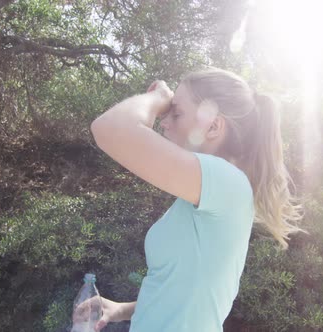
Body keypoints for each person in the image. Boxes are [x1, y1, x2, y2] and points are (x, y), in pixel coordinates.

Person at [89, 67, 302, 331]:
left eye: (176, 113)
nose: (164, 121)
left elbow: (109, 129)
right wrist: (122, 310)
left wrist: (159, 98)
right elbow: (183, 292)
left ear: (213, 126)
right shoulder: (211, 193)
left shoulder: (227, 183)